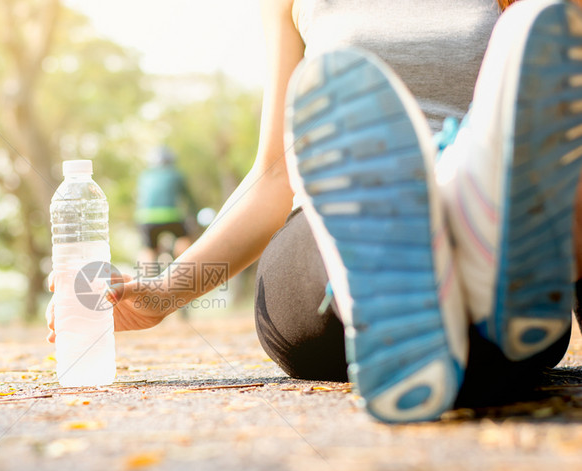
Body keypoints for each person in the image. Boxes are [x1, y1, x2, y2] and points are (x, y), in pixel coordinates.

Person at [48, 0, 582, 423]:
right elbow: (276, 174)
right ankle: (428, 259)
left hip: (509, 248)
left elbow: (565, 151)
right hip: (331, 262)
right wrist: (159, 294)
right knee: (368, 219)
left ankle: (453, 240)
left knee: (509, 152)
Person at [134, 146, 197, 272]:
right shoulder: (176, 174)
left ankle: (144, 276)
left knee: (147, 248)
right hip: (171, 216)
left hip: (146, 218)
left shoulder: (144, 176)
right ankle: (186, 272)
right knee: (183, 240)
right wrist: (194, 216)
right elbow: (189, 200)